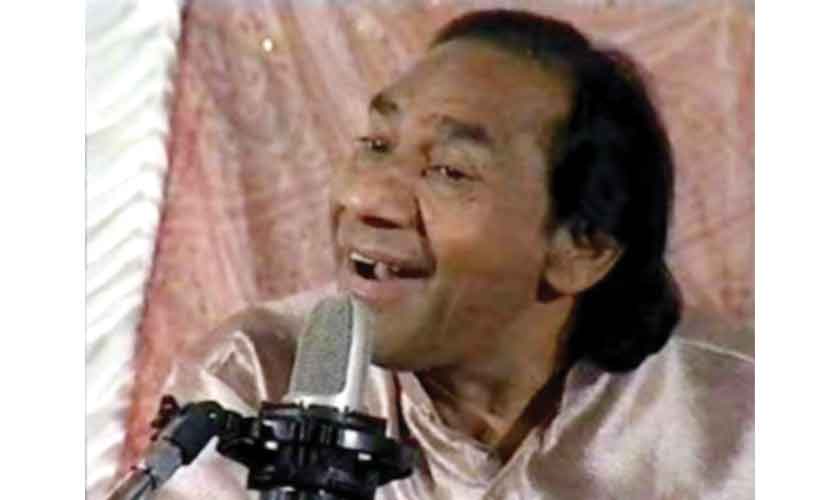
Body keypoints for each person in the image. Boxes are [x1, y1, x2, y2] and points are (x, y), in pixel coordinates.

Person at [151, 9, 753, 500]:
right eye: (376, 143)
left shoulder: (745, 422)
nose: (367, 199)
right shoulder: (256, 378)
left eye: (449, 170)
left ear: (583, 247)